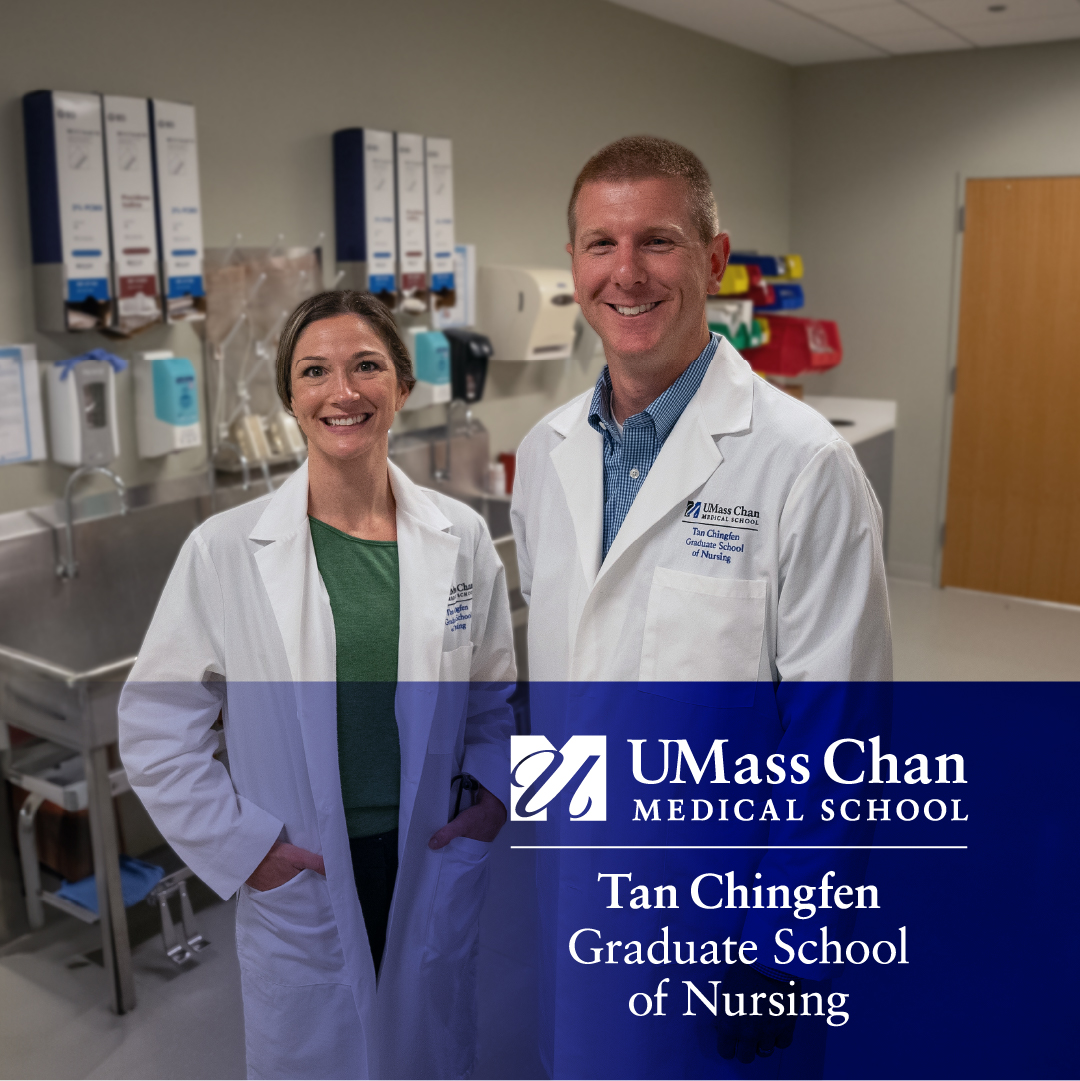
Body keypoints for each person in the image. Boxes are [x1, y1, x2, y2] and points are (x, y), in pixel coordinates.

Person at [510, 136, 892, 1075]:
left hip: (719, 925)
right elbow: (562, 674)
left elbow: (840, 728)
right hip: (575, 891)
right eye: (601, 244)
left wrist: (782, 942)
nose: (627, 272)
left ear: (714, 259)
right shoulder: (546, 453)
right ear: (573, 264)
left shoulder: (802, 464)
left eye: (658, 241)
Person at [119, 290, 515, 1080]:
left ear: (402, 386)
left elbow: (492, 691)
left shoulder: (461, 535)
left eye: (366, 365)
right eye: (314, 372)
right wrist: (245, 849)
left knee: (430, 1049)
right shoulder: (225, 550)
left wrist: (494, 798)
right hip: (305, 865)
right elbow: (157, 724)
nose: (343, 391)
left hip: (430, 848)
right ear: (291, 396)